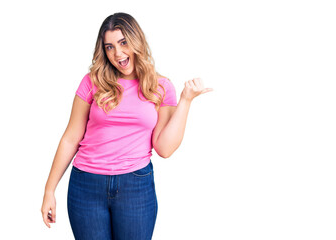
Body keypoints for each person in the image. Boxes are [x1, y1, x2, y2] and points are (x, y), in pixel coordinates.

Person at [41, 12, 213, 240]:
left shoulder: (160, 87)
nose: (118, 53)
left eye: (123, 43)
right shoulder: (92, 81)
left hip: (135, 186)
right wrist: (49, 190)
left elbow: (164, 148)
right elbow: (70, 138)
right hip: (86, 185)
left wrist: (186, 101)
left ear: (136, 41)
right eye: (109, 47)